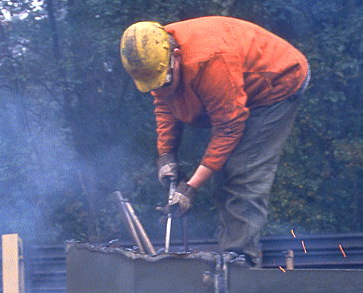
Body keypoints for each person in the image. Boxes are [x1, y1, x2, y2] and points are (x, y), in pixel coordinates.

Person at [119, 17, 309, 265]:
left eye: (164, 81)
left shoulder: (210, 61)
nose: (161, 89)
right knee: (220, 179)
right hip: (237, 89)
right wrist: (166, 156)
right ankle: (229, 252)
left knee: (243, 172)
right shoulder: (154, 59)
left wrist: (190, 188)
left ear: (176, 56)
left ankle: (242, 261)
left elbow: (229, 128)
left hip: (277, 83)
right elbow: (165, 103)